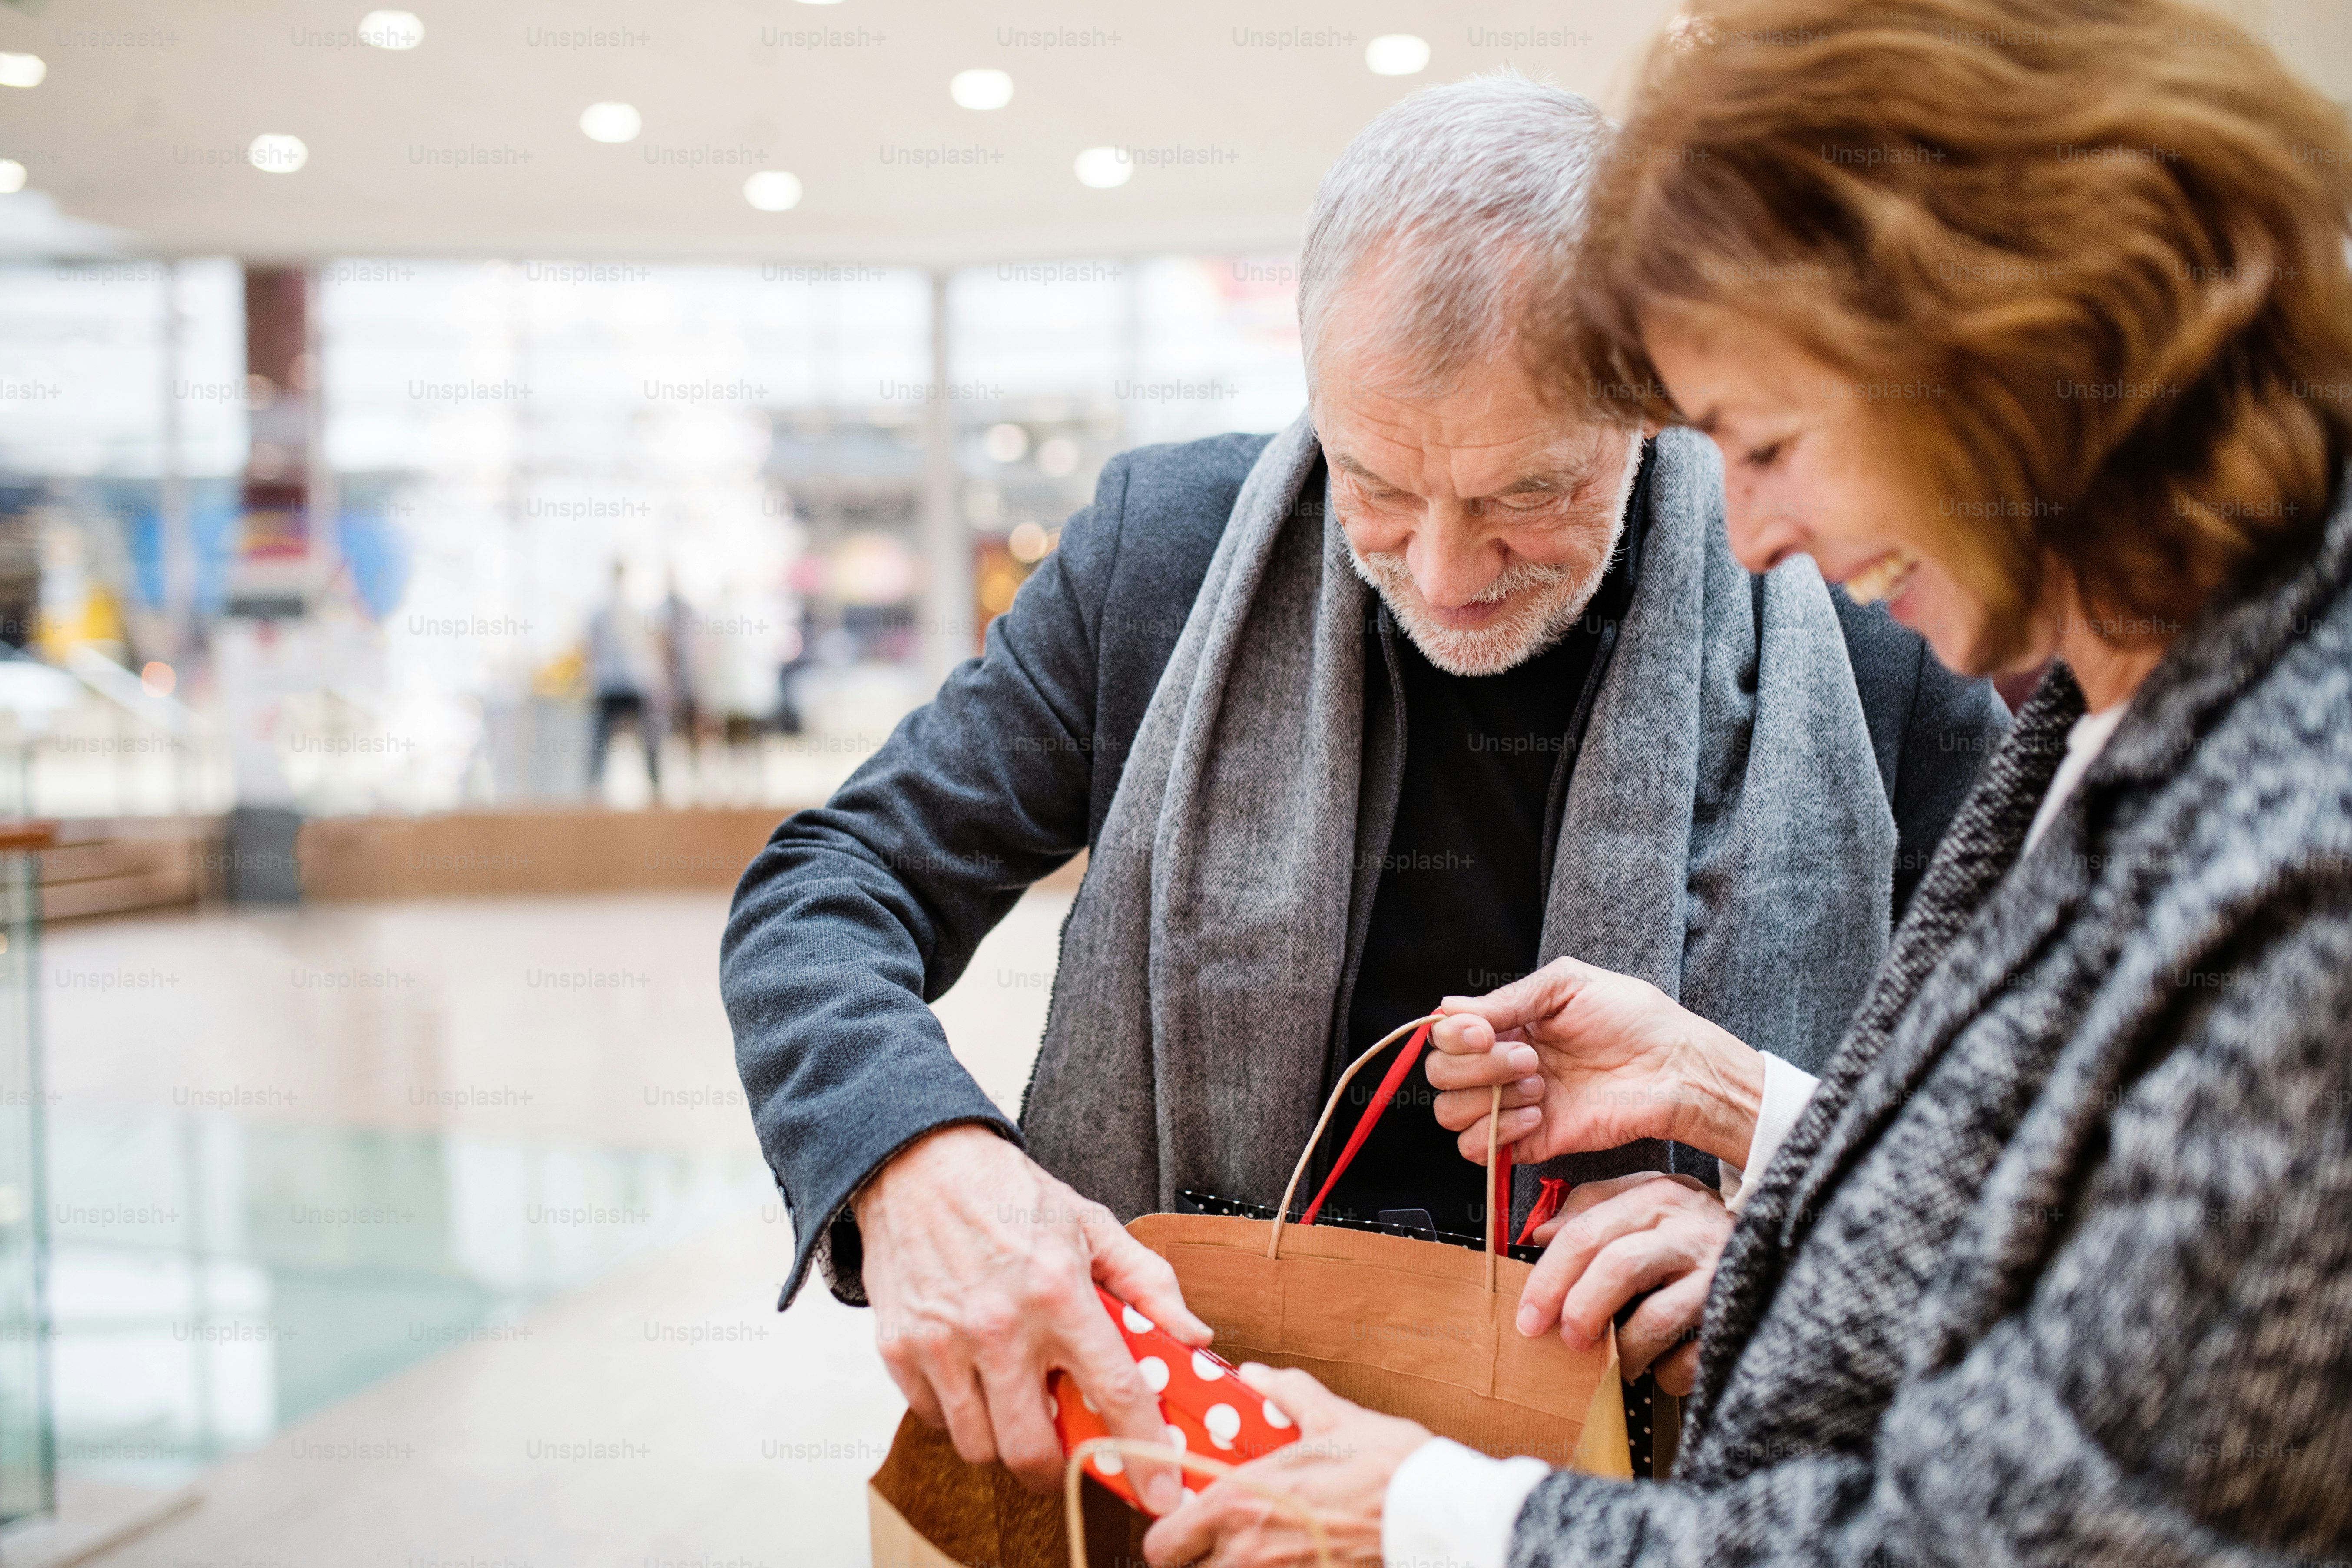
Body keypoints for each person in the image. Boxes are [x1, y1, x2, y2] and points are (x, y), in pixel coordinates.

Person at [1146, 1, 2352, 1564]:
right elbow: (2074, 1210)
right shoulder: (2119, 699)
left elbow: (2043, 1534)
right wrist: (1750, 1114)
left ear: (2026, 340)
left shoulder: (2305, 853)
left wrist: (1431, 1513)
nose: (1756, 533)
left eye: (1768, 440)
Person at [721, 75, 2007, 1511]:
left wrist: (1788, 1221)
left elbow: (2023, 1100)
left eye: (1529, 495)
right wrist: (915, 1159)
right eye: (1379, 485)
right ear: (1316, 383)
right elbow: (828, 889)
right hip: (1197, 1450)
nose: (1448, 575)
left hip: (1645, 1494)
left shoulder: (1857, 615)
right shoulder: (1163, 557)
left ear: (1649, 395)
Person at [584, 559, 658, 790]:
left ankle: (653, 783)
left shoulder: (614, 612)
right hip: (619, 681)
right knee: (604, 739)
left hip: (623, 681)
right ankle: (596, 784)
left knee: (643, 737)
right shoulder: (624, 612)